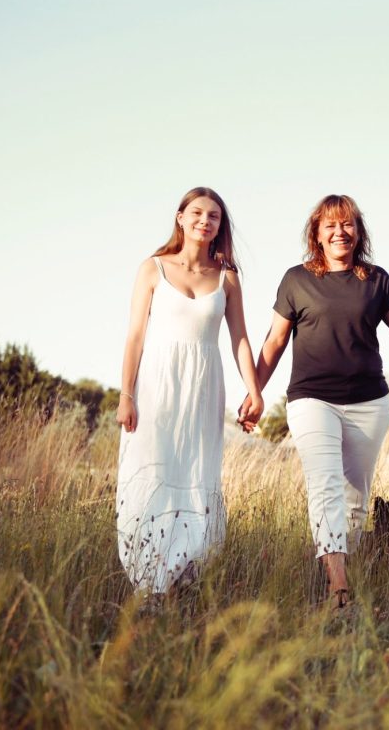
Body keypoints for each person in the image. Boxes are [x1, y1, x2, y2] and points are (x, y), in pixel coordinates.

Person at [239, 194, 389, 608]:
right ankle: (339, 587)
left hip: (368, 403)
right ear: (317, 234)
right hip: (312, 400)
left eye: (347, 225)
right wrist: (255, 390)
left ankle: (346, 572)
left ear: (357, 232)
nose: (339, 232)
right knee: (325, 485)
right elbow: (274, 341)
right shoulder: (297, 279)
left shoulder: (375, 279)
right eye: (330, 225)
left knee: (356, 500)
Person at [115, 187, 263, 605]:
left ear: (220, 226)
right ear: (180, 217)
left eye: (213, 215)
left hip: (203, 384)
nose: (205, 220)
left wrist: (254, 390)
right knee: (153, 472)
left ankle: (186, 574)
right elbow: (135, 336)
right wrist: (126, 394)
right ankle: (149, 581)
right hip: (156, 383)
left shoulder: (227, 277)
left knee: (196, 474)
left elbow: (240, 339)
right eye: (197, 212)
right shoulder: (153, 268)